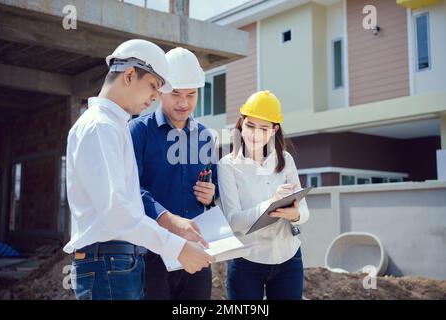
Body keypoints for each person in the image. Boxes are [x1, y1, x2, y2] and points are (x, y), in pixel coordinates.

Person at [64, 39, 213, 300]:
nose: (156, 96)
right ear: (130, 75)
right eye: (154, 86)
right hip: (109, 260)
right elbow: (117, 212)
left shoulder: (113, 126)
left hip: (117, 259)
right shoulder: (102, 127)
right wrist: (177, 246)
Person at [129, 47, 218, 300]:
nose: (183, 103)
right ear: (159, 92)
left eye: (191, 95)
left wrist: (211, 194)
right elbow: (131, 189)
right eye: (176, 94)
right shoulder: (138, 132)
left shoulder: (205, 137)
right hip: (152, 254)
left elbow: (216, 189)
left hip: (196, 251)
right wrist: (167, 219)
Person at [217, 90, 310, 300]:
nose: (255, 134)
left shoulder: (286, 161)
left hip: (289, 259)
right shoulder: (228, 165)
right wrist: (271, 203)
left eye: (263, 128)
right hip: (247, 262)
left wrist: (294, 214)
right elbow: (233, 221)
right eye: (250, 125)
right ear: (241, 123)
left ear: (274, 130)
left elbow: (304, 213)